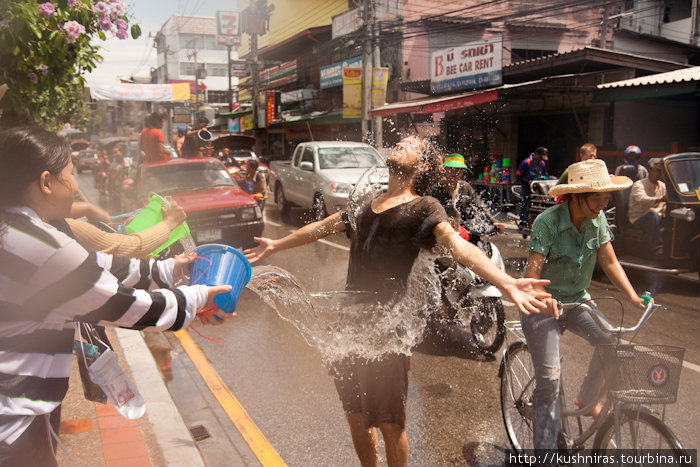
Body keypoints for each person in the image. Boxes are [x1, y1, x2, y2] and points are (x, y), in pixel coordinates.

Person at [244, 135, 550, 467]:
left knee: (391, 425)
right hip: (348, 331)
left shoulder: (425, 208)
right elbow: (324, 226)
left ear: (422, 165)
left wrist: (506, 282)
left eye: (411, 145)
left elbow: (458, 247)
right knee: (356, 417)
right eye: (401, 142)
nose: (400, 144)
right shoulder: (367, 202)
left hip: (387, 335)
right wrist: (275, 246)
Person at [0, 126, 232, 466]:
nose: (76, 186)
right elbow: (129, 308)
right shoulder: (44, 247)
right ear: (47, 183)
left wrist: (171, 270)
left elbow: (106, 266)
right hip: (14, 422)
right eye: (71, 174)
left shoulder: (23, 230)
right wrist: (197, 297)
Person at [522, 159, 646, 450]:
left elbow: (609, 260)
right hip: (542, 305)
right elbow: (531, 277)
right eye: (597, 198)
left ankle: (586, 399)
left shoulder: (598, 219)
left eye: (606, 197)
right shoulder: (547, 222)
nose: (603, 204)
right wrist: (544, 298)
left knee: (614, 343)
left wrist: (632, 295)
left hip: (577, 302)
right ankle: (544, 453)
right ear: (576, 196)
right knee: (550, 382)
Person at [628, 157, 666, 254]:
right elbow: (641, 199)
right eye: (657, 171)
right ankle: (658, 248)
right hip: (638, 218)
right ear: (649, 171)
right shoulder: (639, 185)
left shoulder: (662, 185)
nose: (660, 174)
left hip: (658, 216)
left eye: (662, 171)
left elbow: (665, 204)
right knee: (652, 215)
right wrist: (660, 199)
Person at [516, 146, 549, 229]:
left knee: (539, 205)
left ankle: (535, 222)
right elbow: (518, 175)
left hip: (538, 188)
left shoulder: (542, 163)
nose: (541, 160)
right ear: (536, 154)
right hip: (527, 187)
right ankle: (523, 222)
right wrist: (527, 181)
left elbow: (545, 174)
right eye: (540, 157)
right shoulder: (526, 162)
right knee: (526, 204)